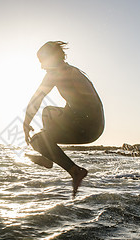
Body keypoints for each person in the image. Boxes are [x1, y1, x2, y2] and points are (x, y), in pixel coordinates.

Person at [23, 41, 105, 197]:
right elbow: (81, 104)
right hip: (95, 126)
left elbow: (36, 99)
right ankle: (48, 156)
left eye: (43, 62)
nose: (42, 67)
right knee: (46, 122)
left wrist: (26, 123)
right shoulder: (71, 71)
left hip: (88, 126)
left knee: (39, 135)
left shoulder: (57, 73)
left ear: (52, 58)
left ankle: (74, 171)